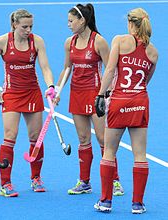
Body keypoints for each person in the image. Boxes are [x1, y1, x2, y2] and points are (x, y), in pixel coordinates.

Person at [94, 8, 158, 214]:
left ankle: (105, 201)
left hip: (119, 101)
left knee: (109, 151)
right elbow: (146, 80)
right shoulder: (153, 52)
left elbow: (110, 70)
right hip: (140, 101)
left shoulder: (120, 41)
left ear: (130, 23)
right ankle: (137, 204)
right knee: (140, 154)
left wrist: (101, 94)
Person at [55, 4, 124, 195]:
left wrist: (108, 93)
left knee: (103, 139)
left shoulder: (99, 41)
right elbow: (66, 68)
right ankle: (84, 182)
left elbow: (112, 69)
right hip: (76, 94)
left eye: (71, 21)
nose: (68, 25)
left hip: (95, 95)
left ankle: (115, 181)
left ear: (82, 21)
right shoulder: (69, 42)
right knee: (83, 139)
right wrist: (56, 90)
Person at [0, 9, 55, 197]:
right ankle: (5, 183)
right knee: (10, 135)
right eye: (25, 26)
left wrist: (51, 86)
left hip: (32, 93)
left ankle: (36, 178)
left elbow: (45, 67)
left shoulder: (37, 41)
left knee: (35, 137)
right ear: (15, 25)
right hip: (11, 94)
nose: (28, 30)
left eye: (31, 26)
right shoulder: (2, 41)